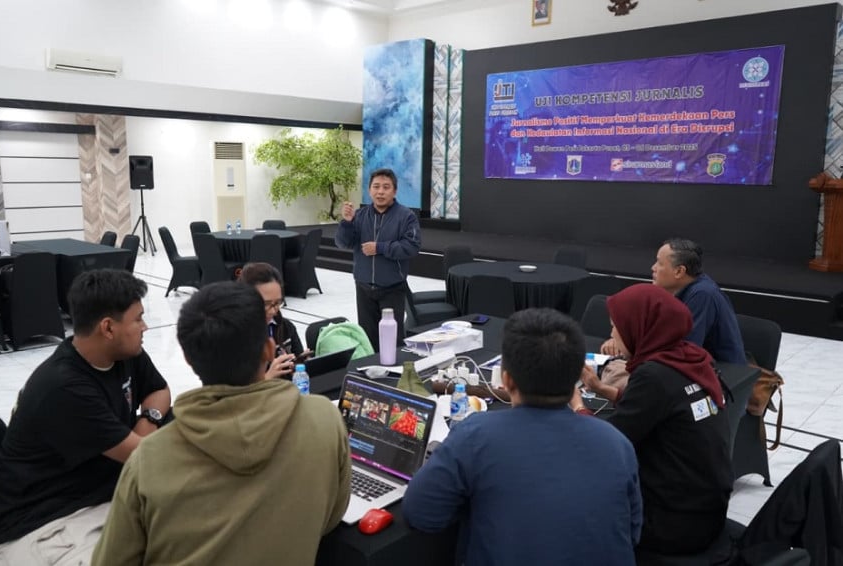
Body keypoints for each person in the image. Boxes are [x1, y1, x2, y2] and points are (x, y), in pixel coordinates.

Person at [92, 282, 351, 565]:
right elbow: (331, 517)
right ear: (269, 350)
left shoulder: (149, 461)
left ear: (188, 358)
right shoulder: (325, 419)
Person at [403, 308, 642, 566]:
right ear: (578, 379)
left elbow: (421, 514)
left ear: (506, 380)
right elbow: (631, 532)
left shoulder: (476, 436)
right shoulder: (617, 443)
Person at [0, 269, 170, 564]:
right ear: (108, 328)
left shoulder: (124, 353)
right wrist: (143, 439)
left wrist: (147, 419)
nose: (145, 327)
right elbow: (140, 456)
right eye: (138, 319)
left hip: (98, 495)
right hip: (44, 522)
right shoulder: (65, 386)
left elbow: (159, 391)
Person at [576, 284, 733, 557]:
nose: (612, 335)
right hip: (707, 511)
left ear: (639, 327)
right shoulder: (691, 357)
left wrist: (577, 406)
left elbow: (606, 445)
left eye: (615, 327)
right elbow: (663, 406)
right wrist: (603, 390)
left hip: (673, 524)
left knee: (572, 506)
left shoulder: (653, 375)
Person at [601, 237, 745, 364]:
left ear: (679, 271)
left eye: (659, 263)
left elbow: (682, 347)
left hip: (721, 373)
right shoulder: (677, 289)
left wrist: (627, 345)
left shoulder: (703, 295)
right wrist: (623, 338)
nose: (653, 268)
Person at [335, 168, 421, 350]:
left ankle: (394, 367)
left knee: (392, 339)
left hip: (392, 288)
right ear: (369, 190)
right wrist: (347, 222)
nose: (380, 192)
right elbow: (343, 243)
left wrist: (380, 248)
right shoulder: (359, 215)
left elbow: (411, 247)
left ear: (394, 191)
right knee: (368, 338)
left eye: (386, 187)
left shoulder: (406, 216)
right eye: (376, 187)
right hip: (364, 288)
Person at [238, 262, 310, 379]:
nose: (273, 311)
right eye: (266, 304)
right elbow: (232, 388)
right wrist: (268, 378)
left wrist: (299, 366)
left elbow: (298, 364)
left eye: (277, 303)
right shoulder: (233, 335)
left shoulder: (285, 327)